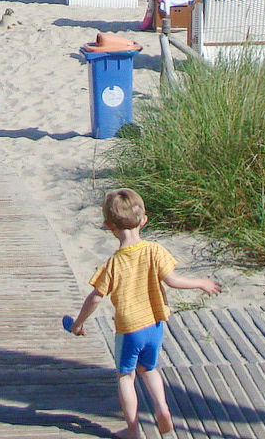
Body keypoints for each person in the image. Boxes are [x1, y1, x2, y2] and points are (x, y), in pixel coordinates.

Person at [65, 188, 220, 439]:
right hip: (155, 325)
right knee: (149, 369)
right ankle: (162, 409)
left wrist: (78, 323)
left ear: (108, 226)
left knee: (125, 376)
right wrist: (201, 282)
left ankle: (133, 430)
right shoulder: (154, 251)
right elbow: (172, 280)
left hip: (129, 330)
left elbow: (95, 297)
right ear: (144, 221)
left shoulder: (114, 263)